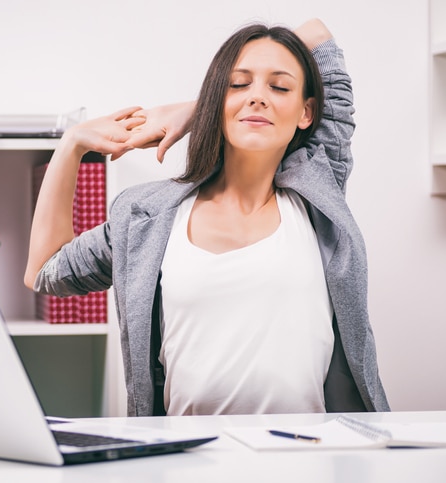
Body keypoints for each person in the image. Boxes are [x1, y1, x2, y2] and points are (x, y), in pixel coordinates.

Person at [25, 18, 390, 416]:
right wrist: (71, 145)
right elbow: (45, 270)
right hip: (186, 462)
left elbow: (318, 34)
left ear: (306, 113)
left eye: (279, 87)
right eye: (238, 84)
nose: (258, 97)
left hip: (308, 458)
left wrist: (195, 109)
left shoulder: (320, 189)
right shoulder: (148, 218)